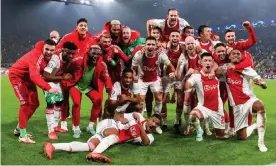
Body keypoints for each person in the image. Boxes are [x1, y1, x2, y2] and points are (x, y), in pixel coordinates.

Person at [43, 112, 162, 163]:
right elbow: (117, 115)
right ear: (149, 118)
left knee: (89, 146)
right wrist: (121, 119)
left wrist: (140, 126)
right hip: (110, 124)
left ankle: (52, 146)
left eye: (157, 124)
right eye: (153, 120)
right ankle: (95, 154)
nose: (154, 124)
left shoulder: (150, 136)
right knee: (115, 136)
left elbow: (145, 142)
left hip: (106, 136)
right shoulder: (139, 115)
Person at [216, 49, 267, 152]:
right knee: (241, 137)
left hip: (249, 100)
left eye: (238, 54)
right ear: (229, 56)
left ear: (241, 57)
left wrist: (261, 83)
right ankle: (255, 126)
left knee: (260, 105)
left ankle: (261, 142)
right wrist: (226, 66)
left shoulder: (246, 69)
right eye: (233, 54)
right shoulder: (226, 69)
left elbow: (259, 80)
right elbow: (217, 73)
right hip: (237, 107)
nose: (236, 55)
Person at [9, 39, 59, 144]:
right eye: (47, 49)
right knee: (25, 103)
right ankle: (22, 135)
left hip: (27, 78)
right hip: (17, 76)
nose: (49, 52)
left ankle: (19, 129)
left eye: (52, 50)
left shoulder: (50, 56)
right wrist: (48, 88)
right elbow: (34, 75)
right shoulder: (37, 56)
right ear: (43, 48)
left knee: (35, 103)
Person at [61, 45, 113, 138]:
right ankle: (76, 128)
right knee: (76, 103)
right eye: (93, 53)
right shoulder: (78, 60)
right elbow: (67, 70)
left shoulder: (102, 64)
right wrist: (65, 81)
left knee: (98, 100)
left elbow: (106, 77)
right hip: (76, 85)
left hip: (88, 86)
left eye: (98, 54)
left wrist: (108, 86)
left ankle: (90, 126)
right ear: (88, 52)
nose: (95, 56)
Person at [56, 18, 97, 127]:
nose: (83, 27)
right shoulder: (68, 37)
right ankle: (63, 121)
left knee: (77, 101)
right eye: (81, 25)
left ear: (87, 28)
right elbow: (58, 50)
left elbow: (95, 52)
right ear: (77, 27)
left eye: (85, 26)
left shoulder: (91, 39)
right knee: (65, 98)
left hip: (82, 74)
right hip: (67, 72)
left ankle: (79, 123)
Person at [131, 36, 176, 134]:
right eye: (148, 44)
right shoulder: (139, 54)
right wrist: (134, 76)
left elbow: (170, 66)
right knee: (140, 102)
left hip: (155, 79)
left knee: (159, 99)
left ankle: (156, 122)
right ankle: (141, 124)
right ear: (145, 45)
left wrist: (172, 72)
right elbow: (133, 68)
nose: (150, 46)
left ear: (156, 46)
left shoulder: (161, 55)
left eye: (152, 44)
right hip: (142, 79)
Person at [184, 52, 227, 141]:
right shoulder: (196, 76)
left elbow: (223, 69)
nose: (207, 62)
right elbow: (188, 84)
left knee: (220, 136)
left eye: (209, 61)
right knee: (192, 116)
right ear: (201, 62)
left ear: (212, 62)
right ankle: (199, 130)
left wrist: (213, 72)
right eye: (205, 60)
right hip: (204, 107)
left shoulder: (216, 73)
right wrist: (188, 88)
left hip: (217, 109)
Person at [42, 41, 78, 139]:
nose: (71, 55)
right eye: (69, 53)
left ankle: (55, 125)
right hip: (48, 82)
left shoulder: (69, 61)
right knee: (51, 103)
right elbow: (45, 76)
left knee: (59, 102)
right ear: (63, 50)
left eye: (72, 53)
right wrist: (63, 78)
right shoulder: (55, 59)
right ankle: (50, 131)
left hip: (56, 82)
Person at [161, 30, 184, 130]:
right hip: (166, 76)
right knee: (163, 101)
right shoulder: (164, 49)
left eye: (177, 36)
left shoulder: (183, 48)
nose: (175, 38)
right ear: (169, 38)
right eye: (172, 36)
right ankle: (164, 122)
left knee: (179, 100)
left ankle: (177, 121)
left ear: (180, 38)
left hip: (179, 76)